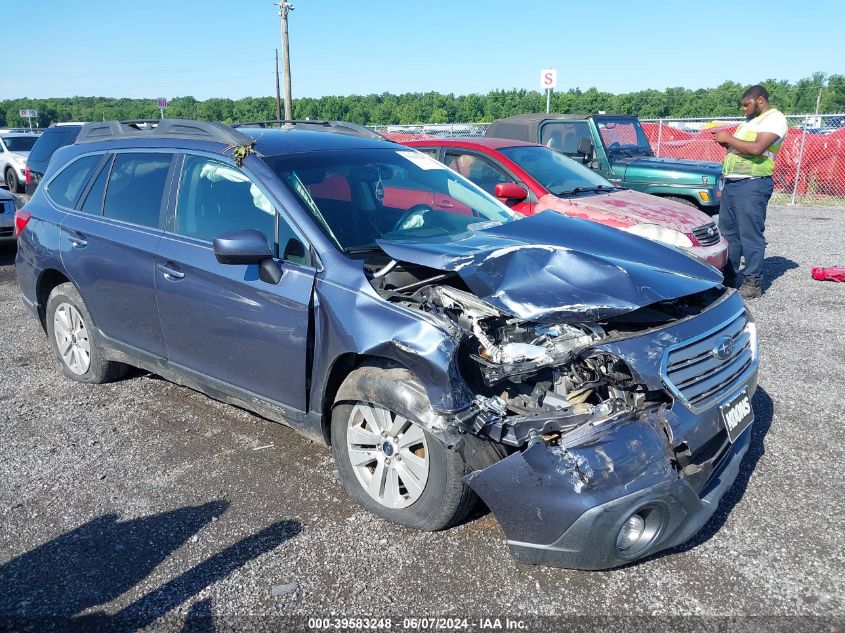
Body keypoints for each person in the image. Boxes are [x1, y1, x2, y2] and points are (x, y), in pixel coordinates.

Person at [710, 85, 788, 299]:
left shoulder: (774, 118)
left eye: (747, 104)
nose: (743, 109)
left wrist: (728, 137)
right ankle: (730, 278)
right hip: (733, 184)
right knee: (728, 235)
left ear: (760, 100)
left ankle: (753, 283)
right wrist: (725, 143)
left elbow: (756, 149)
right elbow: (741, 148)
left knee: (750, 236)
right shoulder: (749, 123)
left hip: (753, 184)